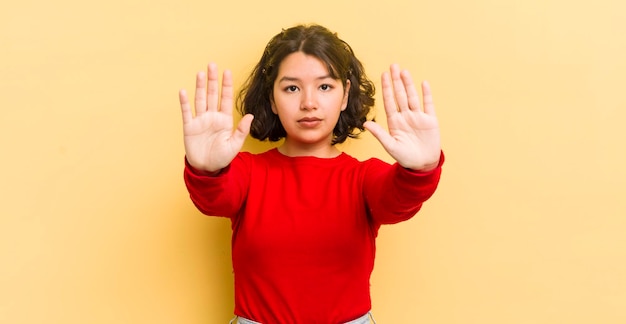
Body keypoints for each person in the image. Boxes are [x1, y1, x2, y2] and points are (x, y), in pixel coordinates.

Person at [179, 24, 444, 324]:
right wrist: (207, 169)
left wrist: (419, 170)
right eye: (292, 87)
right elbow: (216, 199)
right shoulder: (247, 172)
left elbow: (398, 200)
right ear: (271, 100)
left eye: (324, 86)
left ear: (344, 95)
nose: (308, 103)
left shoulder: (364, 178)